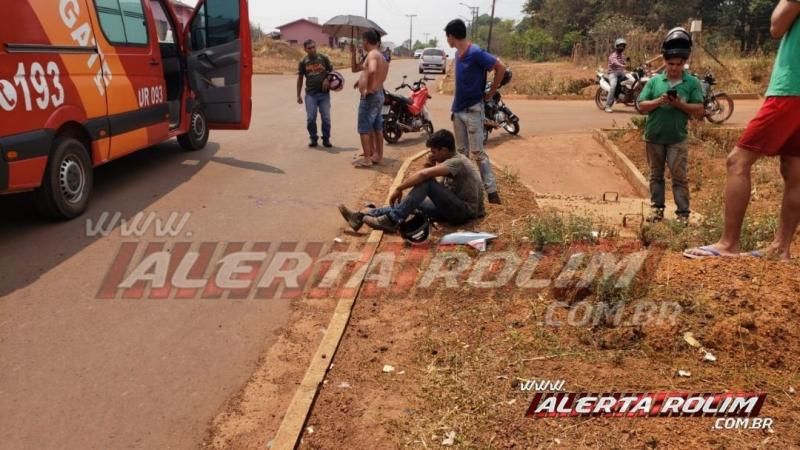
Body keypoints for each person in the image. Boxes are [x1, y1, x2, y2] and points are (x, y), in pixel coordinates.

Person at [684, 0, 800, 261]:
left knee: (738, 161)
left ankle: (729, 243)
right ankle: (781, 248)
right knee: (794, 168)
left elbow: (777, 26)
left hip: (791, 88)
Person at [337, 129, 485, 232]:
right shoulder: (450, 159)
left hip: (464, 212)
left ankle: (392, 220)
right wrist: (430, 162)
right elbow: (439, 190)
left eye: (434, 152)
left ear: (444, 150)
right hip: (453, 206)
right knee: (411, 201)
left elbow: (424, 177)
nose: (432, 154)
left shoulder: (457, 162)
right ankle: (360, 217)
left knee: (424, 182)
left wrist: (399, 188)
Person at [637, 27, 705, 225]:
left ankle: (683, 213)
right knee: (655, 175)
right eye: (671, 63)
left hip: (677, 138)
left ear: (684, 63)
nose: (674, 68)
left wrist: (679, 105)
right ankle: (656, 209)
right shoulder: (655, 82)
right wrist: (659, 101)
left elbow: (700, 110)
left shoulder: (691, 83)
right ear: (664, 62)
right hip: (654, 137)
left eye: (678, 64)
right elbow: (641, 106)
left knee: (679, 177)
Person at [445, 18, 505, 205]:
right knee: (461, 154)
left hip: (473, 110)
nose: (447, 41)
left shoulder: (476, 52)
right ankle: (464, 191)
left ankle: (492, 192)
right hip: (459, 109)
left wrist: (491, 92)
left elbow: (500, 67)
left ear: (452, 36)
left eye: (447, 37)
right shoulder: (457, 55)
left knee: (478, 153)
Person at [350, 29, 389, 168]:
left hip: (371, 96)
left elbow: (372, 70)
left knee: (364, 128)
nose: (361, 43)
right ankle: (377, 155)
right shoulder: (380, 56)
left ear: (366, 41)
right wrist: (353, 53)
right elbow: (356, 69)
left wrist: (367, 88)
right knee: (377, 127)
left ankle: (367, 159)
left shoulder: (372, 55)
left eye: (362, 41)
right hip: (379, 95)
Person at [297, 40, 333, 148]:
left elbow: (332, 72)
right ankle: (313, 138)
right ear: (305, 49)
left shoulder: (323, 58)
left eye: (313, 47)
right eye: (309, 48)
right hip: (310, 95)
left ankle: (326, 139)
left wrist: (327, 79)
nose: (312, 49)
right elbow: (300, 79)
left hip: (324, 94)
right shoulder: (303, 61)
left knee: (326, 118)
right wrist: (298, 95)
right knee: (311, 118)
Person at [604, 38, 628, 113]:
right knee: (613, 86)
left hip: (621, 73)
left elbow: (625, 63)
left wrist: (629, 65)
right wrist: (622, 65)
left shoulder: (623, 56)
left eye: (623, 46)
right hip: (613, 73)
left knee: (630, 81)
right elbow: (615, 62)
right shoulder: (612, 56)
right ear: (616, 46)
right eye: (620, 46)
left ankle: (625, 97)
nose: (622, 48)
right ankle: (607, 105)